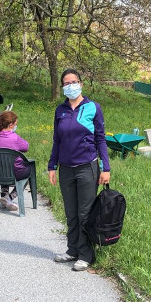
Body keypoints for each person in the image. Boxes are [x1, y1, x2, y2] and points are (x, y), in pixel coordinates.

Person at [48, 68, 111, 272]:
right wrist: (52, 166)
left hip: (87, 167)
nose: (70, 86)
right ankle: (72, 249)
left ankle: (86, 254)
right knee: (71, 212)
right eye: (66, 83)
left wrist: (105, 168)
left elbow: (101, 139)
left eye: (73, 82)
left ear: (81, 83)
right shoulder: (61, 110)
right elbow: (57, 140)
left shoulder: (93, 107)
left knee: (85, 213)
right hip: (66, 168)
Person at [0, 111, 31, 212]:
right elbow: (26, 147)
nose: (15, 126)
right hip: (14, 173)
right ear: (10, 125)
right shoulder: (14, 137)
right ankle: (9, 197)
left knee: (3, 167)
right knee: (26, 175)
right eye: (15, 124)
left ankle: (4, 196)